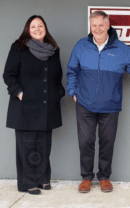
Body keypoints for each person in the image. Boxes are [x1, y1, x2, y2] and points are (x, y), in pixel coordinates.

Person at [66, 10, 130, 193]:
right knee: (86, 141)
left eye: (100, 25)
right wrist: (73, 92)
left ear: (108, 26)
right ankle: (86, 178)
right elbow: (72, 71)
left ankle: (104, 177)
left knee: (107, 142)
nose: (97, 29)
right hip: (84, 104)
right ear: (90, 26)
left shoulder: (120, 49)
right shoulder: (81, 46)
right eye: (94, 25)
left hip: (110, 105)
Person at [3, 15, 65, 195]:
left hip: (47, 106)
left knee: (44, 146)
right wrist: (20, 94)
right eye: (33, 26)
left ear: (45, 28)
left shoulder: (53, 50)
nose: (37, 29)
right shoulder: (18, 48)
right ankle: (28, 182)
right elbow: (9, 75)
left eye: (40, 25)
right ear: (27, 29)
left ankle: (43, 179)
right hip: (25, 107)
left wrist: (58, 93)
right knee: (27, 146)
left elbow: (57, 77)